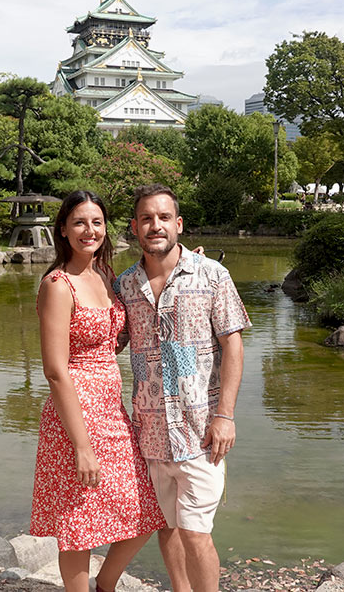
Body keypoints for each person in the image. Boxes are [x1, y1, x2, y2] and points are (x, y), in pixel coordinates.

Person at [114, 184, 251, 592]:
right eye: (145, 219)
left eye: (162, 217)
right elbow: (107, 343)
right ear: (135, 228)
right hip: (151, 431)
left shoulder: (211, 275)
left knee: (196, 531)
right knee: (167, 525)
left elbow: (233, 344)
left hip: (200, 430)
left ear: (178, 223)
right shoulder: (125, 285)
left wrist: (225, 415)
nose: (155, 225)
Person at [30, 190, 166, 592]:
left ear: (106, 229)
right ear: (63, 230)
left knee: (146, 504)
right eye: (79, 223)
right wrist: (81, 445)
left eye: (96, 222)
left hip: (112, 410)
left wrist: (181, 263)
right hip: (74, 414)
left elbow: (112, 339)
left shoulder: (105, 276)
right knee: (78, 519)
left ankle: (105, 585)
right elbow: (55, 371)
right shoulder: (58, 284)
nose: (89, 230)